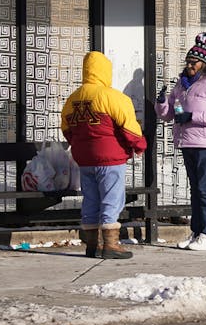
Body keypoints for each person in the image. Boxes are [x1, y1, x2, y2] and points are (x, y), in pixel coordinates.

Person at [61, 50, 147, 259]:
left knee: (91, 199)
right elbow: (130, 129)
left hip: (85, 159)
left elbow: (66, 130)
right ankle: (110, 244)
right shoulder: (113, 97)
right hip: (110, 159)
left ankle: (92, 244)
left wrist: (81, 145)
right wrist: (140, 145)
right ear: (105, 71)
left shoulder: (73, 99)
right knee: (111, 199)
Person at [154, 32, 206, 251]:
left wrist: (193, 117)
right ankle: (196, 232)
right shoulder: (181, 83)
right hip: (187, 140)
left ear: (203, 63)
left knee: (205, 188)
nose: (189, 65)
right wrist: (162, 103)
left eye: (193, 62)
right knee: (195, 189)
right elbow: (171, 113)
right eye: (187, 61)